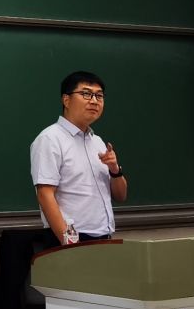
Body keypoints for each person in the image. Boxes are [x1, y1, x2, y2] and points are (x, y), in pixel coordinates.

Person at [30, 70, 127, 244]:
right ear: (66, 100)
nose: (94, 101)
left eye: (99, 96)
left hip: (104, 236)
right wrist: (69, 242)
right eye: (86, 94)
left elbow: (120, 196)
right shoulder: (50, 139)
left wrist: (114, 170)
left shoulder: (98, 142)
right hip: (70, 240)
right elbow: (45, 195)